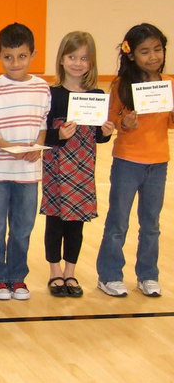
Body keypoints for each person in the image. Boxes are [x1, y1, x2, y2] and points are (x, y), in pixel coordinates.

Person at [96, 23, 173, 298]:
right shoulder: (121, 85)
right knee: (118, 222)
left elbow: (169, 122)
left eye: (157, 50)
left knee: (151, 224)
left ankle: (148, 275)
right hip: (128, 162)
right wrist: (124, 122)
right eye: (145, 51)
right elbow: (111, 119)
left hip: (159, 162)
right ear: (131, 55)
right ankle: (109, 275)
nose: (153, 56)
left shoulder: (168, 84)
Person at [41, 32, 114, 298]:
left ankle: (70, 272)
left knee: (76, 223)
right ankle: (54, 271)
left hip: (83, 169)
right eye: (72, 57)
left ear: (91, 62)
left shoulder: (96, 95)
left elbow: (98, 138)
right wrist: (58, 135)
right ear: (61, 59)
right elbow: (43, 136)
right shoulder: (52, 95)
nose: (77, 63)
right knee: (55, 220)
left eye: (84, 58)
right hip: (56, 167)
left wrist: (105, 131)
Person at [0, 23, 50, 301]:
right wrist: (10, 148)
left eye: (22, 56)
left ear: (33, 54)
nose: (15, 62)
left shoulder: (43, 88)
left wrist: (37, 148)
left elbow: (43, 124)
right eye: (8, 57)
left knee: (23, 228)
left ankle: (17, 277)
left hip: (28, 172)